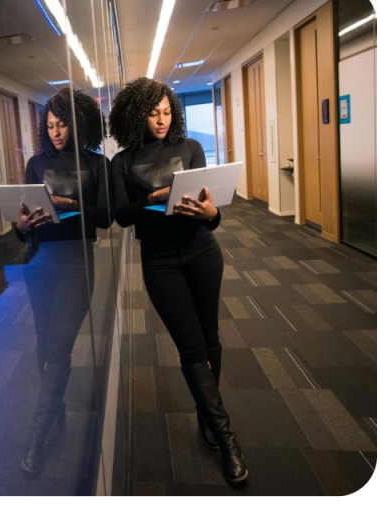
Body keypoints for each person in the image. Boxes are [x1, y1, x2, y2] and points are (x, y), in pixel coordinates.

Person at [108, 77, 247, 483]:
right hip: (159, 260)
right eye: (153, 113)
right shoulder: (122, 162)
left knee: (210, 336)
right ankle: (227, 439)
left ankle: (207, 415)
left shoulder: (190, 148)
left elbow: (211, 212)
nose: (162, 119)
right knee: (190, 347)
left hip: (202, 250)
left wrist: (212, 214)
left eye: (167, 112)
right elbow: (121, 215)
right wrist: (152, 199)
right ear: (137, 115)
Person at [14, 87, 110, 475]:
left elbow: (107, 218)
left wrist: (72, 205)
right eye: (50, 125)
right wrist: (22, 226)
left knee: (59, 345)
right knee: (44, 345)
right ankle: (56, 416)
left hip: (77, 263)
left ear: (79, 123)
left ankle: (38, 437)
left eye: (62, 124)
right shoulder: (36, 164)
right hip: (41, 262)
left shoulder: (96, 164)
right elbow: (25, 225)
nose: (55, 132)